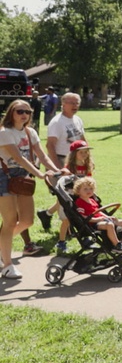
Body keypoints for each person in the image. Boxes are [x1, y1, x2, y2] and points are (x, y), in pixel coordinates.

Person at [0, 100, 65, 278]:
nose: (24, 114)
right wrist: (39, 174)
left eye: (28, 111)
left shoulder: (30, 132)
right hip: (5, 176)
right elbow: (19, 158)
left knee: (27, 220)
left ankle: (1, 246)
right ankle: (7, 264)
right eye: (20, 111)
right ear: (11, 113)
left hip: (23, 177)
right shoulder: (5, 133)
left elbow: (41, 155)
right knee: (10, 220)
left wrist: (56, 170)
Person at [39, 139, 95, 254]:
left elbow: (89, 181)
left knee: (83, 217)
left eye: (86, 152)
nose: (84, 154)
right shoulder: (69, 167)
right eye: (81, 152)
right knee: (67, 220)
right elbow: (63, 180)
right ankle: (61, 241)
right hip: (68, 196)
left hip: (82, 197)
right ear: (74, 154)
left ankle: (85, 237)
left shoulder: (87, 166)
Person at [72, 176, 122, 251]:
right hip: (92, 224)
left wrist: (107, 216)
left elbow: (98, 211)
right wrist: (98, 219)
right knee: (109, 225)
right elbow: (83, 217)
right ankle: (117, 244)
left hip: (102, 220)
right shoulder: (79, 202)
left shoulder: (92, 200)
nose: (89, 191)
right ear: (78, 191)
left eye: (91, 188)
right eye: (85, 189)